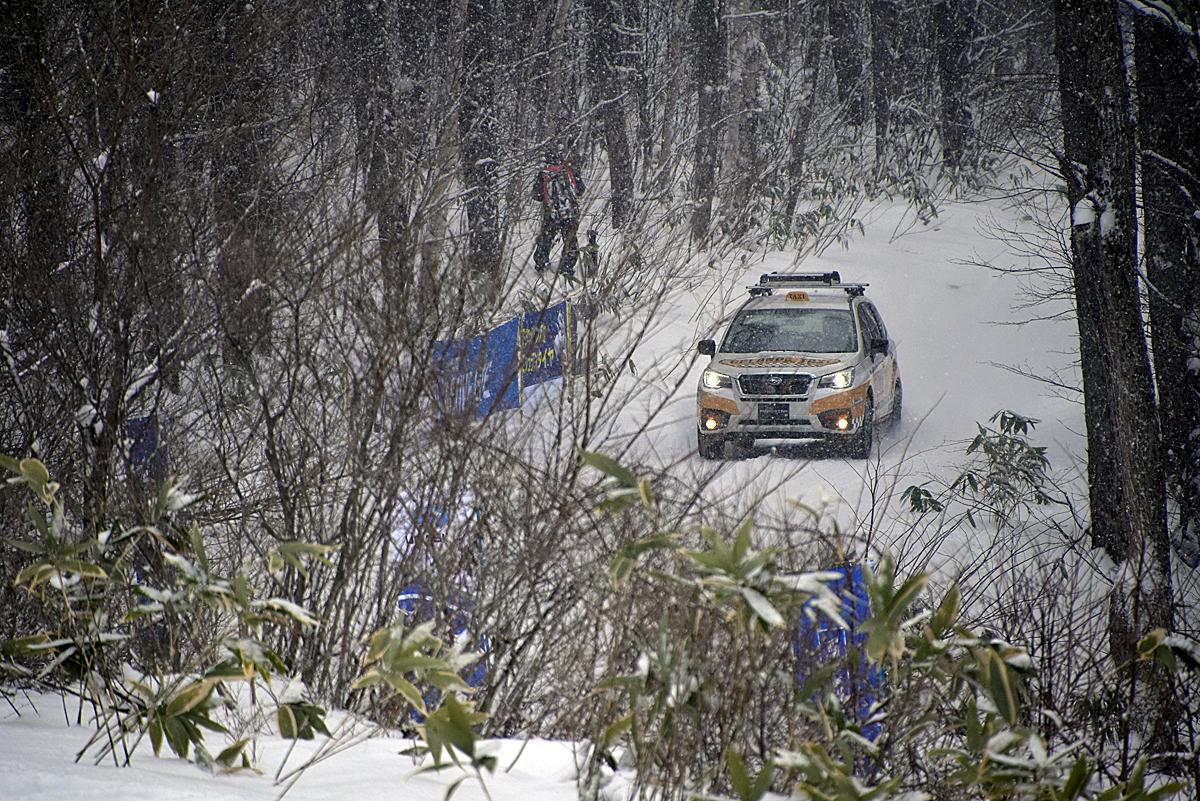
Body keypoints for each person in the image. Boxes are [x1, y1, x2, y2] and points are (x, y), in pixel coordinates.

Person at [531, 150, 586, 276]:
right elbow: (580, 190)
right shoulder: (569, 171)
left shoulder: (543, 174)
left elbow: (537, 195)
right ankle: (567, 267)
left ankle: (541, 263)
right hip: (569, 213)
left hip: (551, 213)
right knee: (570, 240)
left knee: (546, 238)